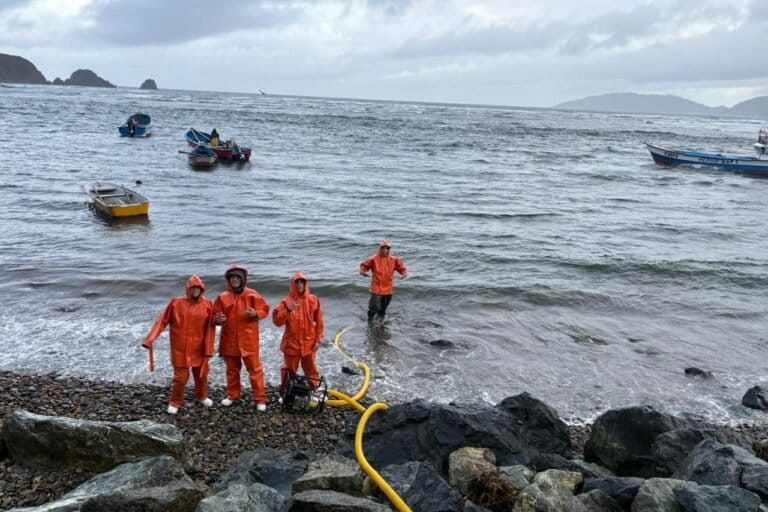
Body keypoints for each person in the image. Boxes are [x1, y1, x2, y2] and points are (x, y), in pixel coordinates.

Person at [141, 275, 215, 415]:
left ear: (202, 289)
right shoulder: (176, 303)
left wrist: (219, 320)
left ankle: (202, 396)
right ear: (187, 289)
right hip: (180, 347)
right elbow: (162, 321)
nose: (195, 291)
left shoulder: (208, 304)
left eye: (198, 288)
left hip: (199, 346)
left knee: (201, 374)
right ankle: (175, 401)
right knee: (180, 377)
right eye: (192, 288)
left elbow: (213, 322)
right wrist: (150, 339)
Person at [214, 265, 270, 411]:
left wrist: (256, 314)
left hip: (249, 340)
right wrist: (218, 320)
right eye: (232, 277)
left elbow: (265, 309)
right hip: (229, 340)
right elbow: (214, 316)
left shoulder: (252, 294)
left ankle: (260, 399)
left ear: (242, 279)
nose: (234, 279)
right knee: (232, 370)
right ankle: (232, 395)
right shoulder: (222, 297)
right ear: (228, 280)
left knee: (255, 370)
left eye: (237, 277)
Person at [272, 273, 325, 394]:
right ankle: (285, 392)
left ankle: (314, 389)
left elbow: (320, 322)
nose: (300, 285)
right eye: (297, 282)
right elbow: (277, 321)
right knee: (289, 370)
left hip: (309, 343)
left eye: (302, 282)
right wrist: (288, 309)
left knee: (311, 369)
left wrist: (317, 340)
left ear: (305, 284)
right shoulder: (286, 302)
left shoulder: (313, 300)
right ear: (293, 285)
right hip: (291, 343)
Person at [359, 240, 408, 322]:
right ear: (380, 249)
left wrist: (404, 273)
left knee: (384, 306)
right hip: (376, 287)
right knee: (373, 306)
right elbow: (364, 265)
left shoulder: (394, 259)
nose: (385, 250)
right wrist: (362, 272)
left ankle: (381, 320)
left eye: (387, 248)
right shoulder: (373, 259)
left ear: (389, 249)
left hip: (388, 287)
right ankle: (370, 321)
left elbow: (402, 268)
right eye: (383, 248)